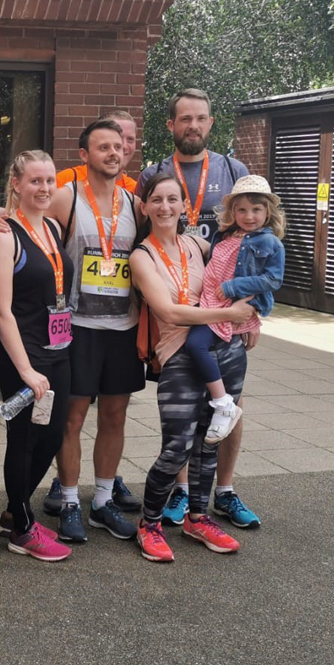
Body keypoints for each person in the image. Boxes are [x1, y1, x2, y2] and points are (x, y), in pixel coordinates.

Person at [136, 88, 259, 528]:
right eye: (184, 118)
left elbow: (252, 243)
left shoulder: (233, 170)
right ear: (171, 125)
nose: (193, 125)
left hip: (221, 312)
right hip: (181, 314)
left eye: (200, 118)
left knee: (229, 407)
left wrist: (254, 314)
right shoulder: (153, 174)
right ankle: (184, 492)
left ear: (210, 122)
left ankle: (224, 490)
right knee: (187, 416)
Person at [43, 119, 144, 544]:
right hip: (77, 327)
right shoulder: (66, 197)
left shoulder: (135, 203)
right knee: (72, 418)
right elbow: (32, 236)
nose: (113, 153)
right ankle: (69, 501)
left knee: (115, 416)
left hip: (122, 326)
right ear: (84, 155)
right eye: (103, 147)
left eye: (118, 147)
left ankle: (102, 501)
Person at [0, 150, 75, 562]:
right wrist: (25, 370)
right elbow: (0, 310)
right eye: (35, 181)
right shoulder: (4, 235)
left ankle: (12, 510)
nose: (44, 188)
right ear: (16, 184)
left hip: (57, 346)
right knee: (24, 438)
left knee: (53, 435)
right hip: (20, 353)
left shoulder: (52, 226)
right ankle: (21, 526)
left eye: (50, 180)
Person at [183, 175, 285, 444]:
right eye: (242, 209)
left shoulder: (270, 243)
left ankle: (223, 404)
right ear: (232, 211)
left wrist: (234, 287)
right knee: (195, 349)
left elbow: (273, 279)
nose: (249, 216)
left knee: (196, 345)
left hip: (230, 306)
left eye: (256, 209)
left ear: (268, 212)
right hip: (210, 303)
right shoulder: (224, 235)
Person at [55, 110, 139, 192]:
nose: (124, 146)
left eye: (130, 139)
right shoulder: (66, 180)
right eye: (118, 137)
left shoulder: (135, 190)